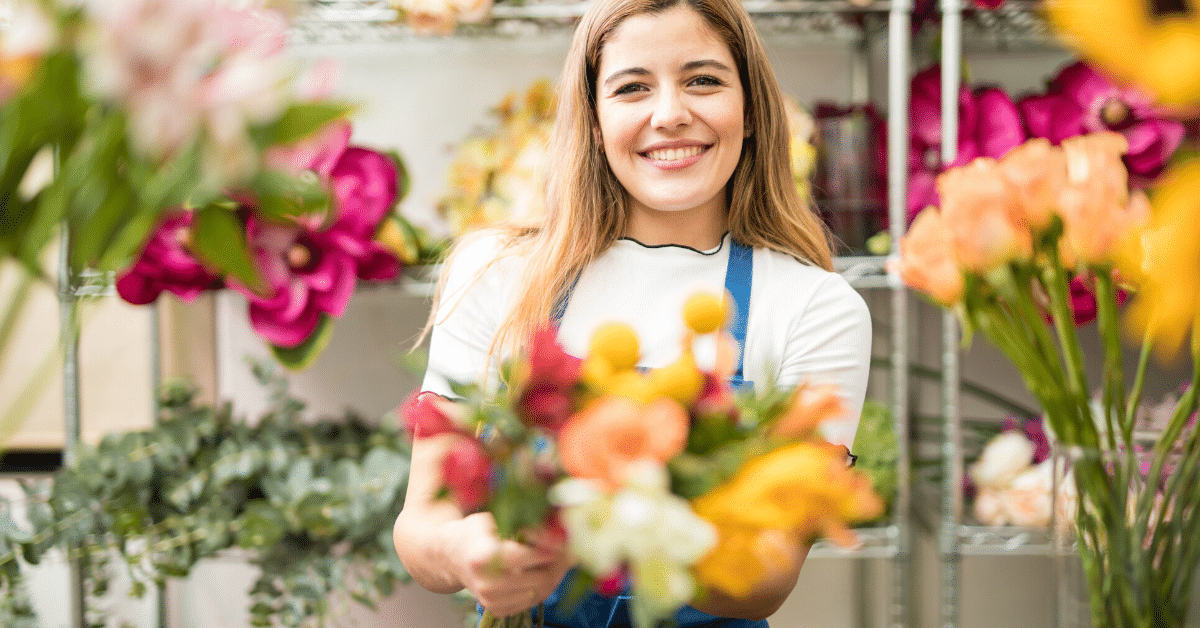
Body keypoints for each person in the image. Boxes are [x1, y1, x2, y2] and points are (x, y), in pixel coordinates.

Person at [393, 0, 873, 624]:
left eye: (703, 80)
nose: (670, 114)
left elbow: (768, 576)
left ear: (752, 110)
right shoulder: (498, 274)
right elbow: (422, 523)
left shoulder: (816, 307)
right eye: (632, 88)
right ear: (593, 120)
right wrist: (463, 552)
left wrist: (597, 533)